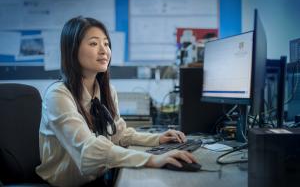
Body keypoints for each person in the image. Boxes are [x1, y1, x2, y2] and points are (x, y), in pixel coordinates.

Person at [35, 16, 197, 187]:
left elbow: (119, 135)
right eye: (93, 43)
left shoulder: (107, 91)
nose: (104, 50)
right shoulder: (58, 95)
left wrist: (157, 139)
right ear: (72, 50)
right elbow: (88, 149)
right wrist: (151, 159)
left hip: (99, 179)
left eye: (106, 43)